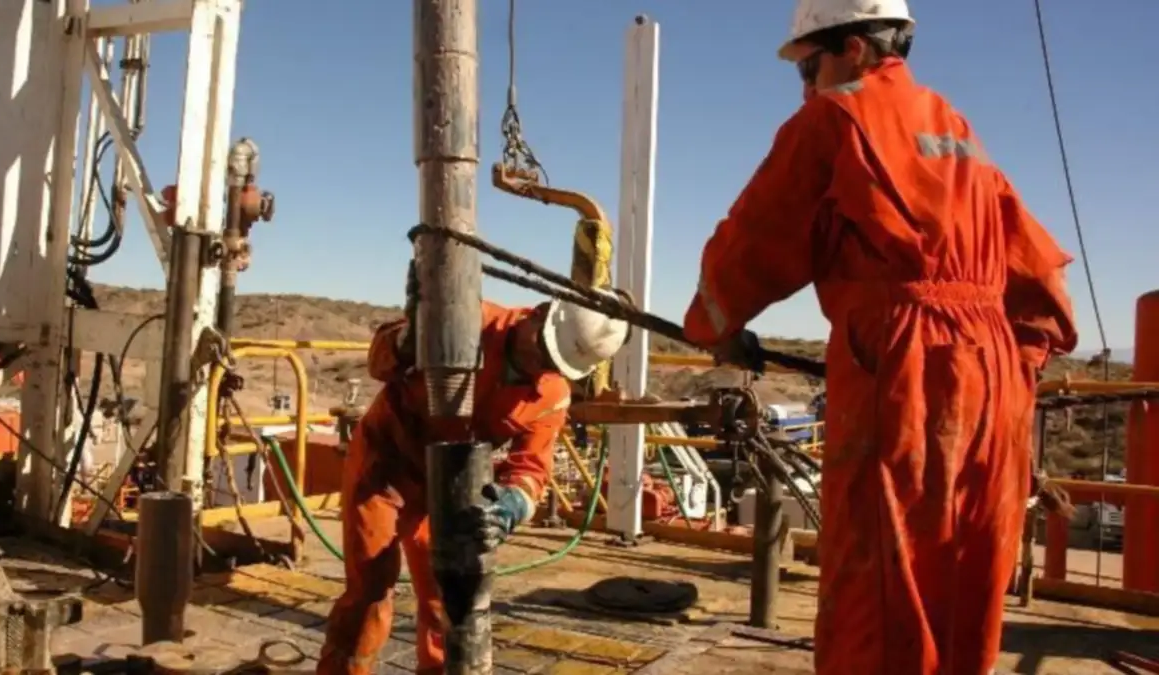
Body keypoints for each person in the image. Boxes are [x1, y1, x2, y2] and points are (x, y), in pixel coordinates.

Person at [681, 1, 1078, 673]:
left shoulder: (835, 118)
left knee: (880, 585)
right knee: (965, 573)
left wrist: (713, 325)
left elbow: (755, 238)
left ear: (854, 48)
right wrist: (1017, 364)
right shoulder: (955, 127)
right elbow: (1036, 273)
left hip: (903, 364)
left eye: (808, 66)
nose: (805, 86)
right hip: (996, 375)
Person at [318, 291, 630, 675]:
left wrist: (513, 503)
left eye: (553, 362)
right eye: (542, 348)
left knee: (448, 597)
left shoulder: (551, 394)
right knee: (371, 590)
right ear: (538, 313)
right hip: (384, 466)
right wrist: (409, 340)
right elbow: (378, 361)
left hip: (449, 488)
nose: (540, 363)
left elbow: (531, 468)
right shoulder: (465, 316)